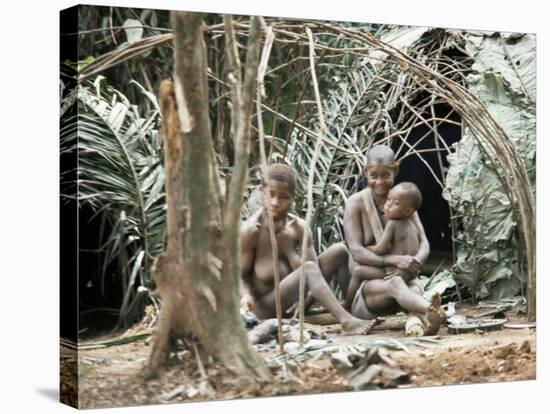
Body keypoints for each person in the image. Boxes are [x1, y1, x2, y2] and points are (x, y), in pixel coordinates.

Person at [240, 163, 374, 335]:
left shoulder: (299, 228)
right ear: (262, 191)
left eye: (283, 197)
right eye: (270, 195)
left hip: (297, 300)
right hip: (266, 307)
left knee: (339, 250)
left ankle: (351, 310)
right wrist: (246, 297)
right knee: (308, 269)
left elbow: (315, 274)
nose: (275, 202)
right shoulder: (252, 231)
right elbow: (241, 276)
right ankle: (347, 322)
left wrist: (289, 250)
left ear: (292, 197)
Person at [343, 145, 445, 334]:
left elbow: (424, 243)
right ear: (365, 171)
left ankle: (425, 320)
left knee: (412, 290)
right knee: (396, 284)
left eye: (386, 175)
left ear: (395, 170)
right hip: (372, 288)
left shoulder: (403, 201)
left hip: (406, 279)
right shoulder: (355, 203)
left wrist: (414, 262)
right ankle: (430, 310)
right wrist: (393, 260)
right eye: (374, 175)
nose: (380, 182)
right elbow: (356, 251)